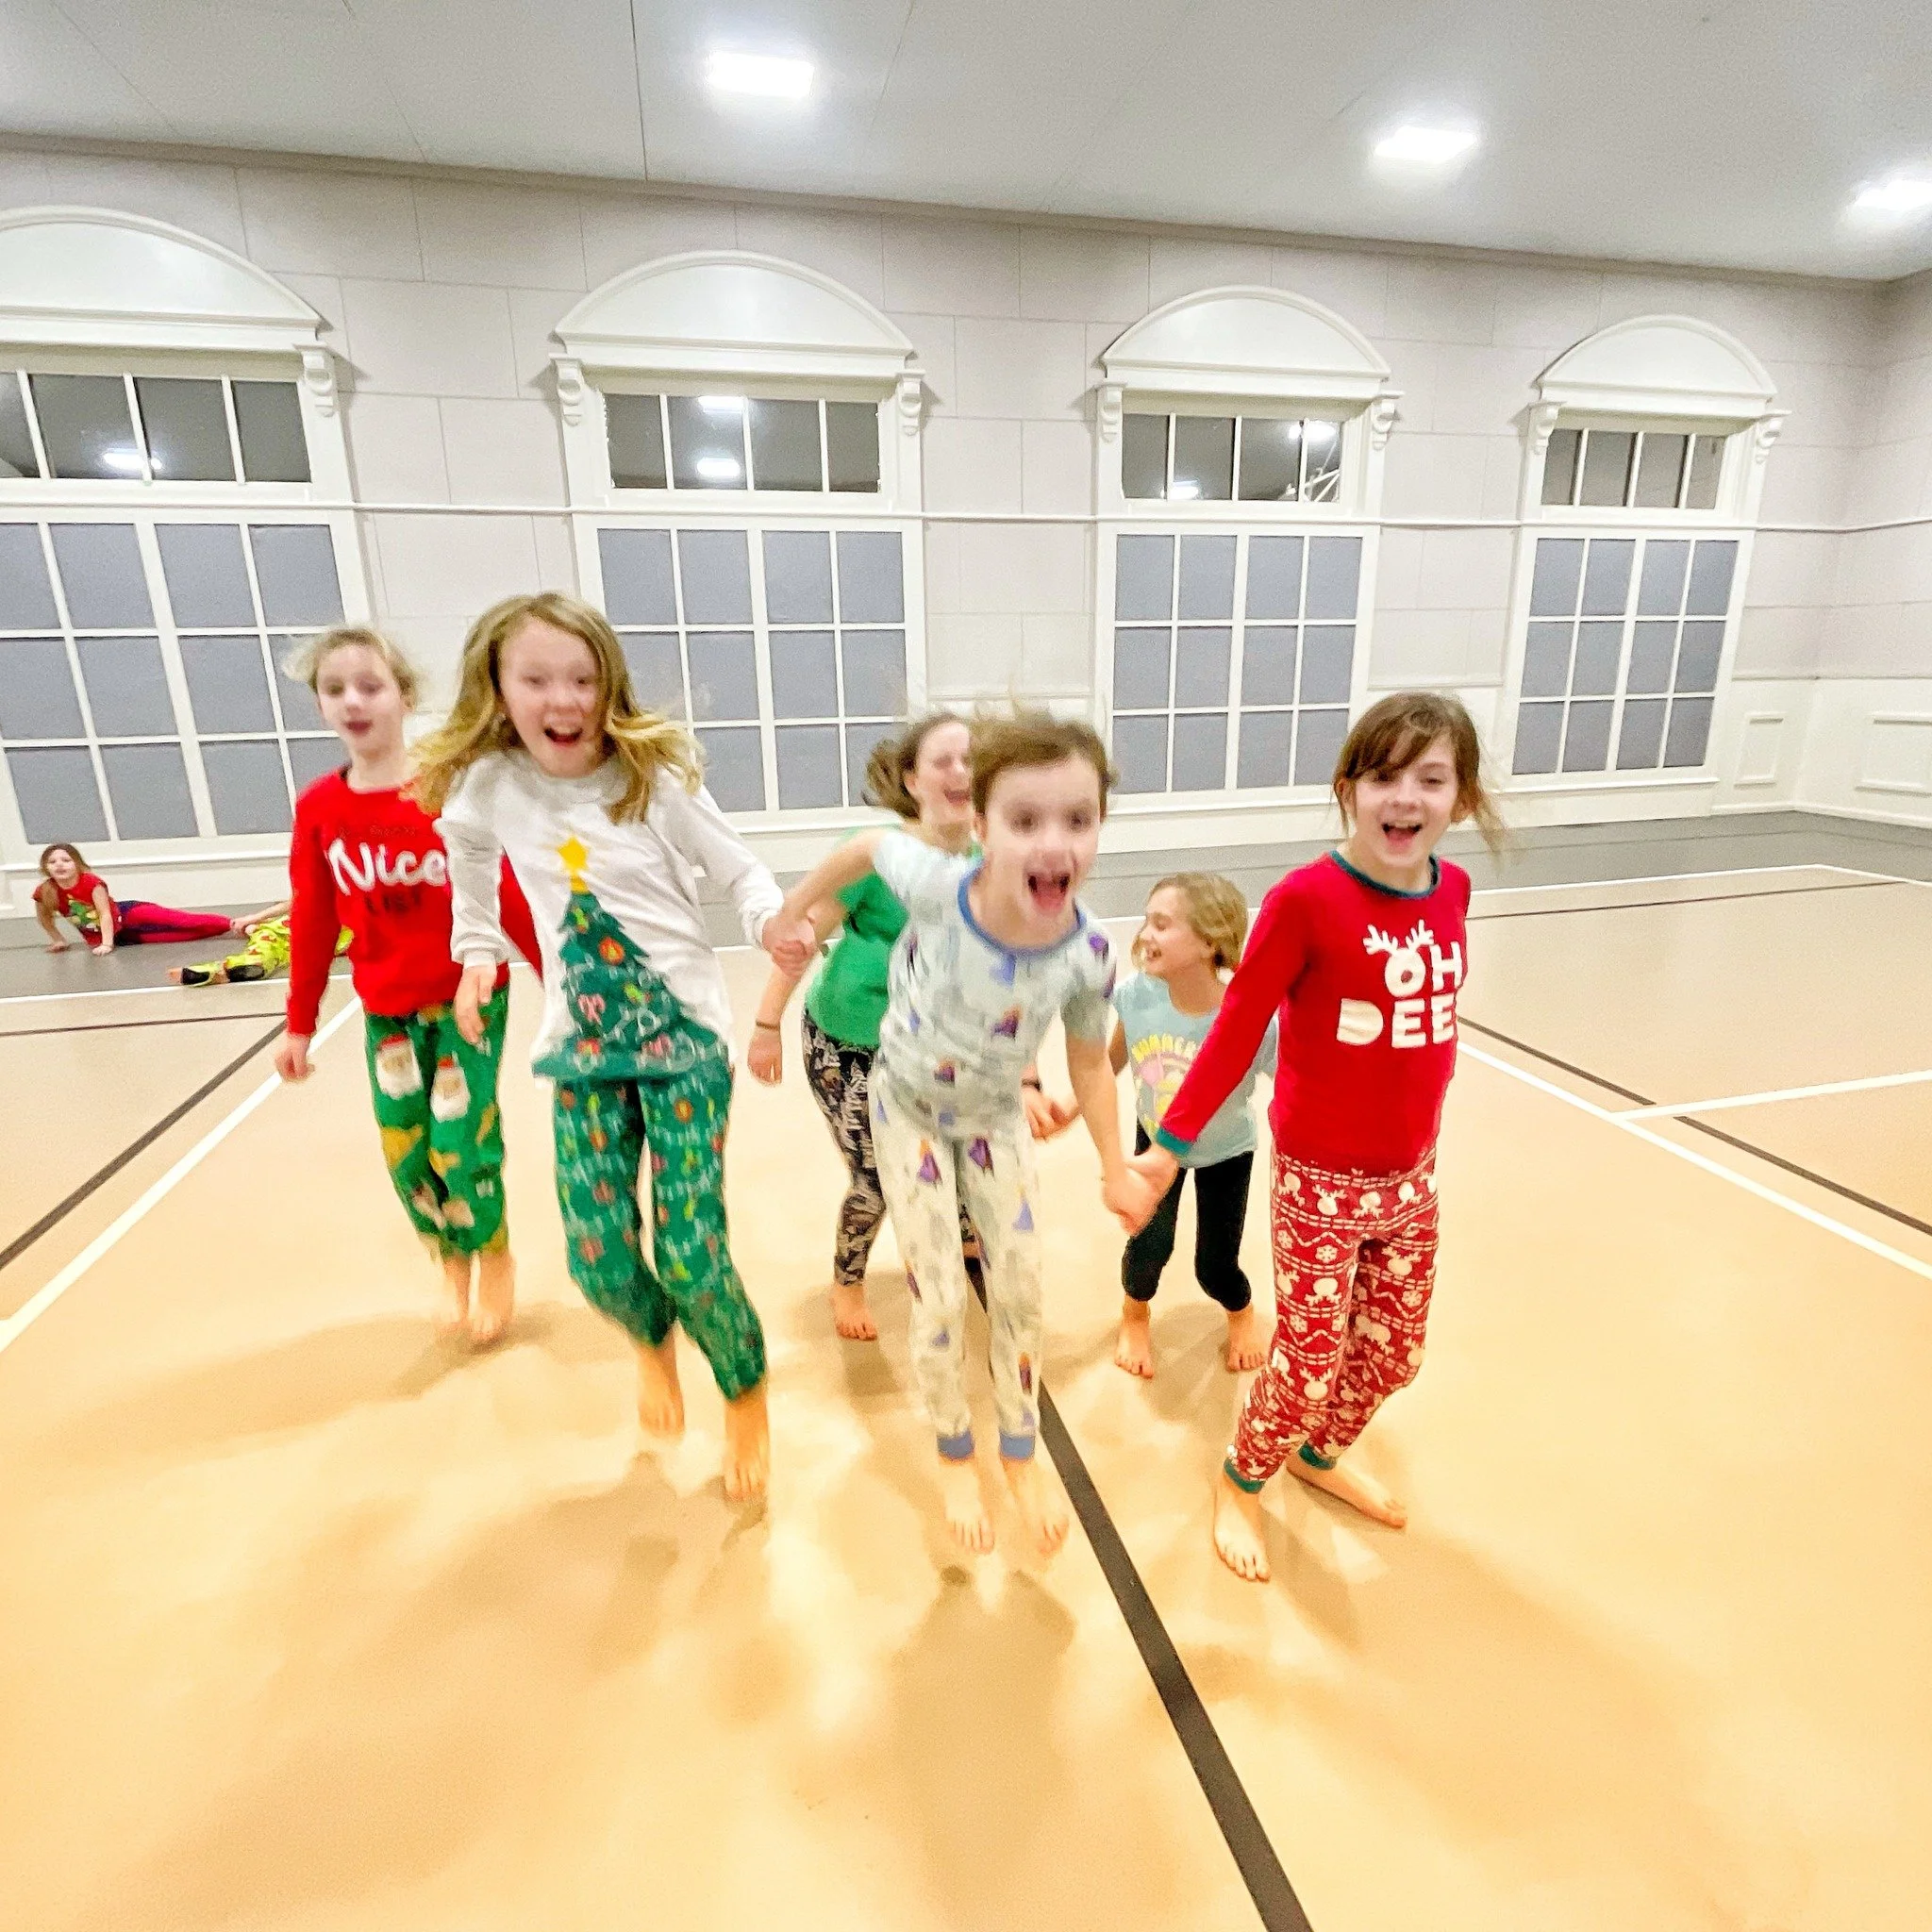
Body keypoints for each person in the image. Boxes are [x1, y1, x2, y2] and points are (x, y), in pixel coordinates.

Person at [419, 591, 810, 1505]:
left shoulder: (651, 775)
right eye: (537, 678)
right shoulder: (489, 785)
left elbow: (740, 868)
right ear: (497, 687)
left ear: (609, 684)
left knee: (688, 1246)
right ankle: (650, 1339)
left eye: (583, 678)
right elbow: (469, 863)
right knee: (597, 1253)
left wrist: (766, 922)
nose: (564, 698)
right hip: (582, 1044)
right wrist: (475, 952)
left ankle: (744, 1385)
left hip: (684, 1040)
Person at [1121, 691, 1501, 1583]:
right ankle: (1239, 1480)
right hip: (1322, 1178)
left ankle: (1316, 1454)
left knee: (1397, 1352)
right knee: (1311, 1353)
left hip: (1412, 1173)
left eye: (1431, 779)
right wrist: (1165, 1149)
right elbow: (1236, 1032)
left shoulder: (1455, 889)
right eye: (1383, 776)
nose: (1404, 798)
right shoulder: (1305, 901)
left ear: (1463, 798)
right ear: (1348, 788)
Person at [769, 710, 1135, 1559]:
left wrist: (1115, 1165)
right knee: (939, 1294)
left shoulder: (1088, 955)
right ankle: (954, 1452)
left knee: (1020, 1289)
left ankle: (1018, 1447)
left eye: (1077, 821)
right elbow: (864, 846)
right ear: (981, 828)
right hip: (908, 1113)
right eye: (1025, 821)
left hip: (990, 1121)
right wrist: (793, 905)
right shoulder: (938, 886)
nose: (1053, 844)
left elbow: (1088, 1061)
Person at [270, 626, 541, 1346]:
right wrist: (299, 1022)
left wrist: (565, 985)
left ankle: (493, 1252)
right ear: (321, 705)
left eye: (370, 685)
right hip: (386, 1008)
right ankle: (449, 1257)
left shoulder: (447, 792)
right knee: (407, 1150)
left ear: (405, 697)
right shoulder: (321, 809)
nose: (354, 701)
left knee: (460, 1139)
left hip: (467, 998)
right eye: (336, 689)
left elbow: (503, 893)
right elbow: (314, 917)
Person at [744, 710, 984, 1341]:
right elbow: (806, 932)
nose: (961, 771)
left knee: (955, 1150)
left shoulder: (990, 857)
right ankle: (847, 1280)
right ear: (912, 781)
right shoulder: (876, 851)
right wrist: (767, 1022)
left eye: (972, 760)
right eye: (943, 761)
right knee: (877, 1175)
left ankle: (956, 1230)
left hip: (932, 1044)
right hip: (848, 1042)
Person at [1102, 874, 1275, 1380]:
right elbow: (1112, 1058)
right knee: (1149, 1246)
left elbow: (1294, 1077)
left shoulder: (1252, 1018)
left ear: (1209, 941)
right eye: (1147, 920)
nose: (1146, 934)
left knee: (1215, 1263)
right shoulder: (1136, 996)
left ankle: (1240, 1311)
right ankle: (1135, 1314)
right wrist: (1069, 1104)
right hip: (1155, 1143)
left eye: (1163, 923)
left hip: (1227, 1150)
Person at [35, 843, 238, 954]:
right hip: (123, 936)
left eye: (66, 860)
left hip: (129, 914)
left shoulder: (90, 882)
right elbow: (45, 917)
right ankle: (225, 928)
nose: (59, 865)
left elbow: (105, 913)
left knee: (183, 920)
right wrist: (58, 940)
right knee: (183, 935)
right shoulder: (46, 891)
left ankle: (238, 924)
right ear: (46, 867)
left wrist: (106, 944)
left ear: (77, 864)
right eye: (52, 862)